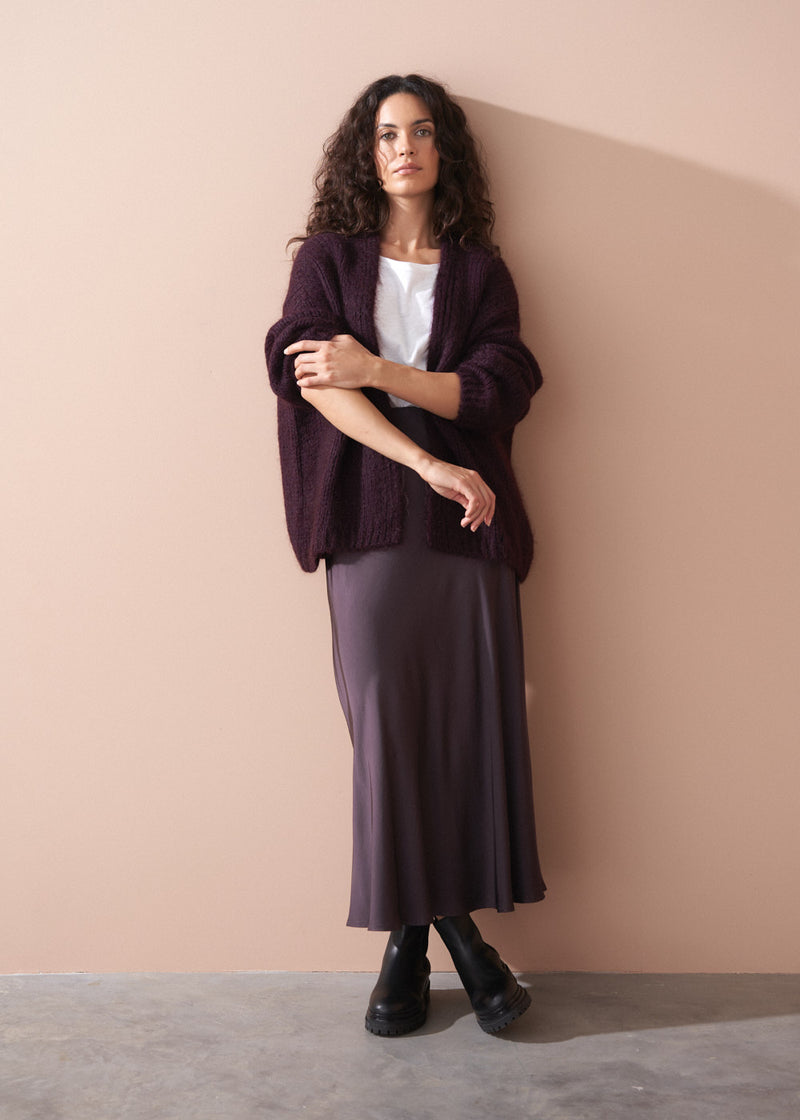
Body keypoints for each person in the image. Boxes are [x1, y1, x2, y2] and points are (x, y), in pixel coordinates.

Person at [265, 74, 546, 1036]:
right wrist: (423, 459)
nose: (404, 147)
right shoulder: (328, 263)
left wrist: (381, 370)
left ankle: (407, 953)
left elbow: (498, 388)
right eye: (387, 133)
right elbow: (312, 379)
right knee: (389, 737)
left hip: (469, 529)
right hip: (375, 519)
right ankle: (453, 939)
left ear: (445, 150)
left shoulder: (481, 272)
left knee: (469, 734)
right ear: (366, 150)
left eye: (422, 131)